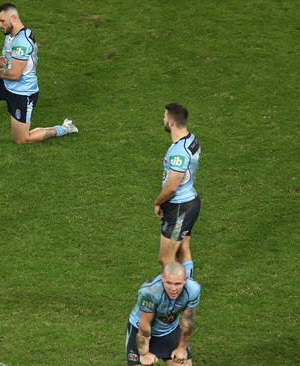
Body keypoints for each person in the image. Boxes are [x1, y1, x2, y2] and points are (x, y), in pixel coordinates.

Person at [0, 3, 78, 144]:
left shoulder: (22, 42)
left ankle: (64, 128)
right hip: (6, 83)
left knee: (22, 139)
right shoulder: (11, 35)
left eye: (2, 21)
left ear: (13, 18)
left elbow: (14, 74)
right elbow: (7, 62)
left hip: (22, 93)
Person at [153, 103, 201, 279]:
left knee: (166, 259)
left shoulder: (179, 152)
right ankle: (189, 289)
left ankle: (176, 297)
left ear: (172, 123)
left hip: (180, 208)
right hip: (191, 202)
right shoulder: (191, 139)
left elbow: (172, 187)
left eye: (165, 117)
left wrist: (158, 202)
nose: (163, 119)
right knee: (183, 251)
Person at [125, 262, 200, 366]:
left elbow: (188, 321)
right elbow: (145, 327)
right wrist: (144, 353)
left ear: (185, 280)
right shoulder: (150, 292)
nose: (173, 289)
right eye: (169, 283)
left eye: (177, 284)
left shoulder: (193, 290)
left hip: (169, 331)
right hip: (141, 331)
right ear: (162, 278)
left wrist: (182, 348)